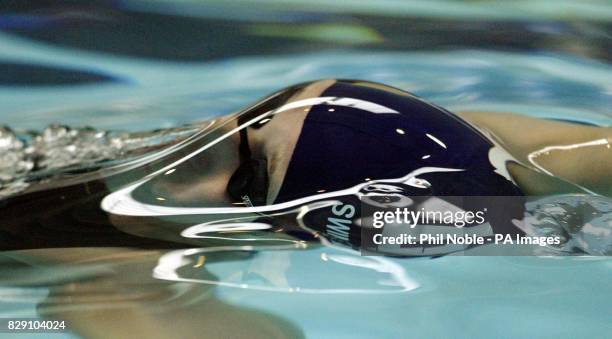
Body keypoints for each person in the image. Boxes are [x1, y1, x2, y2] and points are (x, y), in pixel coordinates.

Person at [0, 79, 610, 254]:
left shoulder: (105, 279)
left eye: (248, 178)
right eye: (253, 114)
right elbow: (503, 157)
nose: (213, 129)